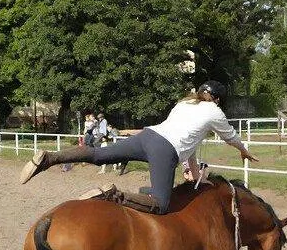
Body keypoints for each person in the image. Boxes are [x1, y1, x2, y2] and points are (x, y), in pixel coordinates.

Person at [19, 80, 258, 214]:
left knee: (100, 155)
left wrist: (196, 177)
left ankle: (49, 158)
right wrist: (243, 150)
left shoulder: (185, 104)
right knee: (161, 204)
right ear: (217, 99)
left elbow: (190, 148)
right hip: (164, 150)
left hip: (148, 136)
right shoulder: (214, 111)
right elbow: (231, 136)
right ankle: (112, 195)